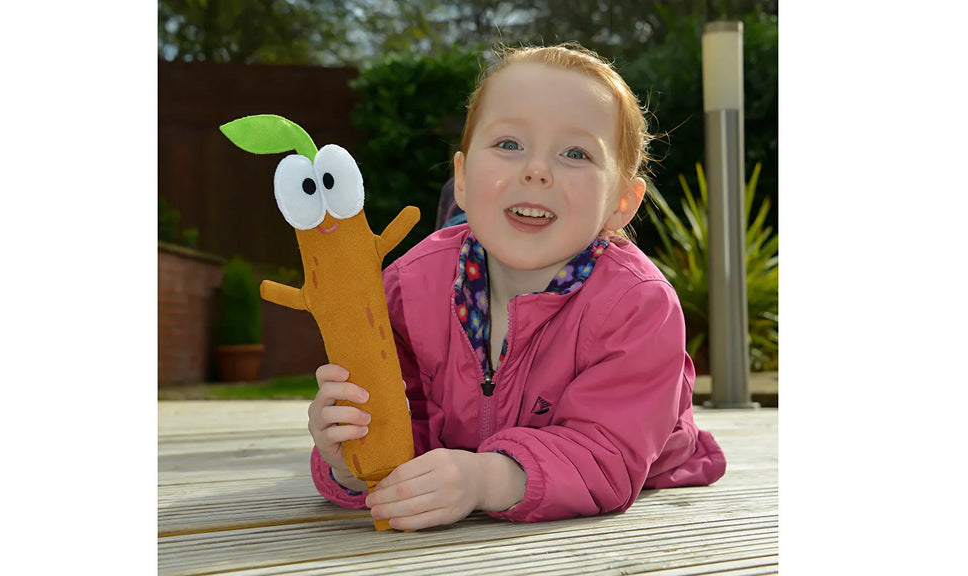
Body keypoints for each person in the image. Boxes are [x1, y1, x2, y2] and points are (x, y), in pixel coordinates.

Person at [307, 42, 726, 530]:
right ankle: (462, 218)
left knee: (650, 444)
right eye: (509, 144)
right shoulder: (405, 288)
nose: (536, 169)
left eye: (575, 153)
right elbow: (403, 432)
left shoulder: (639, 306)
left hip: (642, 446)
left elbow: (605, 454)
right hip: (457, 316)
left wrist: (486, 478)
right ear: (461, 175)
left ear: (622, 203)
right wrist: (351, 460)